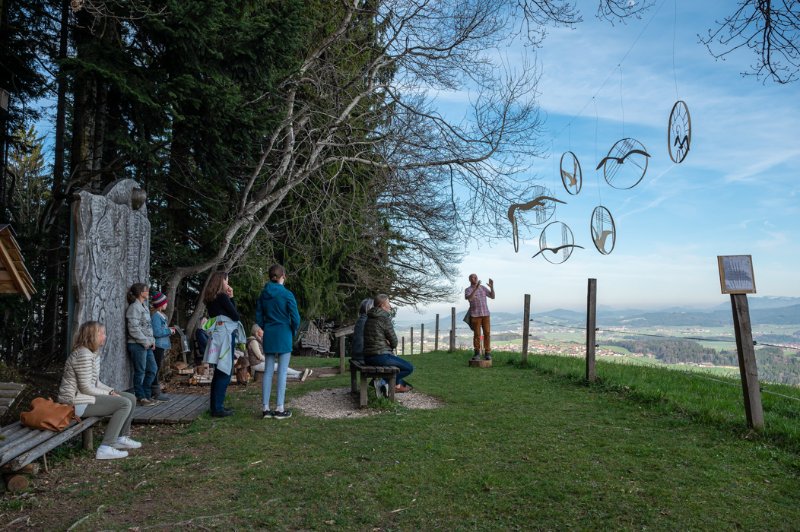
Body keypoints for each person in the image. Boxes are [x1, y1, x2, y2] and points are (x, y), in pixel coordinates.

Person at [58, 321, 141, 460]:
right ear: (91, 336)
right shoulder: (83, 354)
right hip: (75, 403)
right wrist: (110, 394)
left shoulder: (92, 352)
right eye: (101, 333)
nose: (105, 336)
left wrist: (111, 390)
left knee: (130, 398)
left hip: (86, 398)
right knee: (124, 403)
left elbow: (95, 382)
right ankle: (106, 448)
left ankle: (121, 437)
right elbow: (86, 388)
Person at [255, 264, 301, 420]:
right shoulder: (287, 294)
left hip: (269, 333)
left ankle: (266, 408)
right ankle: (280, 408)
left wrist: (264, 327)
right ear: (283, 276)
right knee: (282, 371)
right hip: (284, 333)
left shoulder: (263, 294)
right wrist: (292, 331)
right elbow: (296, 318)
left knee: (268, 371)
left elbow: (259, 316)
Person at [202, 271, 244, 418]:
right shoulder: (222, 297)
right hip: (225, 336)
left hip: (217, 336)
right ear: (221, 281)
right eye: (227, 281)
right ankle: (217, 409)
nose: (228, 284)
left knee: (219, 372)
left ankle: (216, 406)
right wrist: (231, 297)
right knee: (225, 371)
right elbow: (235, 315)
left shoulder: (211, 298)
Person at [363, 294, 413, 395]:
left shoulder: (369, 319)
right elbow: (394, 342)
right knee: (409, 368)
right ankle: (382, 382)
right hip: (381, 356)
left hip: (367, 357)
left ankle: (384, 383)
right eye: (388, 304)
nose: (390, 306)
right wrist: (388, 342)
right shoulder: (384, 319)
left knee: (400, 367)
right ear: (382, 305)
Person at [126, 283, 158, 406]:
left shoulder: (144, 306)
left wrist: (152, 342)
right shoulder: (134, 307)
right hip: (137, 345)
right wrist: (146, 342)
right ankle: (141, 397)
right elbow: (133, 328)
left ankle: (146, 394)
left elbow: (147, 328)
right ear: (141, 293)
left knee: (152, 370)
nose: (148, 292)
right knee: (140, 371)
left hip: (147, 345)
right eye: (146, 290)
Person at [247, 325, 312, 381]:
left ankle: (298, 375)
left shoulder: (259, 340)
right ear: (257, 331)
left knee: (279, 368)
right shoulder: (253, 341)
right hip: (256, 364)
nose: (263, 330)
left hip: (260, 362)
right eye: (261, 329)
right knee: (278, 366)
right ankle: (300, 373)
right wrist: (270, 361)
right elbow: (259, 356)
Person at [465, 273, 495, 361]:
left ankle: (487, 353)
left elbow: (492, 296)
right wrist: (476, 288)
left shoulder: (482, 288)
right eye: (472, 278)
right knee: (477, 334)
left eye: (475, 277)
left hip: (485, 314)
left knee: (487, 333)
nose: (474, 279)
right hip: (475, 315)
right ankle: (477, 353)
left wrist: (492, 287)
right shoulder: (468, 289)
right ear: (469, 280)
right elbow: (469, 298)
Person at [150, 291, 174, 401]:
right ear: (160, 304)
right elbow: (157, 332)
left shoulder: (161, 315)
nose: (166, 304)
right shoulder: (156, 316)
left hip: (161, 345)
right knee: (155, 368)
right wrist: (169, 331)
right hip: (157, 346)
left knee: (157, 368)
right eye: (165, 302)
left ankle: (154, 391)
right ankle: (155, 392)